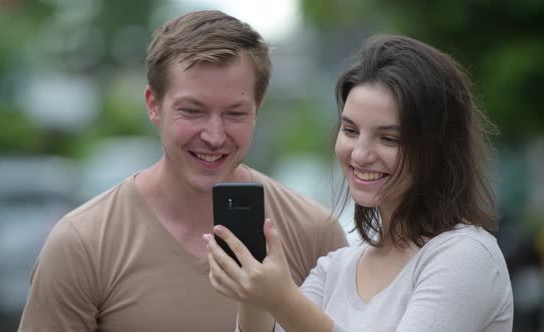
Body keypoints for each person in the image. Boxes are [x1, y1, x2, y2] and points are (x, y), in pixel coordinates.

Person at [17, 10, 348, 332]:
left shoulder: (315, 235)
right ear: (153, 104)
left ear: (257, 111)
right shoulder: (82, 243)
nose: (214, 136)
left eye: (235, 114)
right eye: (192, 111)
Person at [205, 34, 514, 331]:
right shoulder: (335, 270)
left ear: (439, 148)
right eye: (350, 131)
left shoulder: (465, 256)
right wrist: (255, 295)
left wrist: (284, 301)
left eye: (389, 138)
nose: (361, 154)